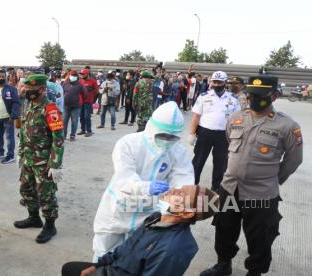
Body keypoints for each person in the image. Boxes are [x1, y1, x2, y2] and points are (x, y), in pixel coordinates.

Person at [201, 76, 303, 276]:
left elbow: (294, 160)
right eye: (250, 95)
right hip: (230, 188)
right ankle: (223, 264)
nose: (253, 99)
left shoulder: (287, 126)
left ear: (273, 96)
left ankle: (255, 272)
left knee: (260, 235)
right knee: (224, 228)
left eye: (259, 96)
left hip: (261, 193)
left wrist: (273, 179)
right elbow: (230, 142)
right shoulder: (236, 118)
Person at [93, 101, 195, 259]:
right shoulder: (128, 143)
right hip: (120, 207)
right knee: (104, 252)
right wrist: (146, 188)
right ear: (151, 128)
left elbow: (183, 179)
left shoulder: (177, 151)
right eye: (162, 135)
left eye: (172, 137)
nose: (167, 140)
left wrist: (178, 201)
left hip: (147, 213)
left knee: (133, 256)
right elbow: (124, 178)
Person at [63, 185, 219, 276]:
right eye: (180, 188)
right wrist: (98, 266)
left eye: (182, 194)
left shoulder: (175, 249)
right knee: (70, 268)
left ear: (186, 213)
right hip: (114, 269)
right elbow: (125, 247)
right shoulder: (156, 218)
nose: (174, 190)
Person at [15, 74, 64, 244]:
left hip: (44, 162)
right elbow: (23, 132)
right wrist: (20, 153)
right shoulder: (29, 105)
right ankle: (34, 218)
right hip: (28, 160)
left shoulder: (50, 109)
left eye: (32, 90)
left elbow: (58, 138)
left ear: (42, 89)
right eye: (26, 89)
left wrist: (55, 164)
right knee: (26, 190)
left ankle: (50, 226)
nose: (28, 92)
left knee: (46, 195)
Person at [187, 71, 240, 192]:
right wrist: (191, 133)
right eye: (214, 82)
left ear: (225, 83)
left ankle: (216, 188)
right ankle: (192, 184)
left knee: (220, 163)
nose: (216, 84)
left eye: (219, 82)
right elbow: (196, 116)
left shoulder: (233, 99)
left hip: (223, 135)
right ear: (211, 82)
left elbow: (237, 119)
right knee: (198, 161)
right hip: (205, 133)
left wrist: (236, 137)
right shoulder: (204, 96)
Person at [62, 70, 85, 141]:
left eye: (75, 75)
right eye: (72, 75)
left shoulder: (80, 85)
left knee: (74, 122)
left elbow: (85, 94)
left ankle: (72, 135)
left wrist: (78, 101)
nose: (73, 77)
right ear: (69, 75)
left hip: (76, 107)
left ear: (77, 76)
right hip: (66, 106)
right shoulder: (65, 83)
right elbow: (61, 92)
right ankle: (64, 136)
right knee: (64, 122)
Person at [78, 69, 99, 137]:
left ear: (87, 74)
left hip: (88, 102)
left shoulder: (93, 81)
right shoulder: (80, 81)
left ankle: (89, 131)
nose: (81, 75)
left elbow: (96, 91)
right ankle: (83, 130)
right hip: (81, 102)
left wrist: (92, 98)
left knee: (87, 116)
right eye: (81, 74)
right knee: (81, 116)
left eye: (83, 74)